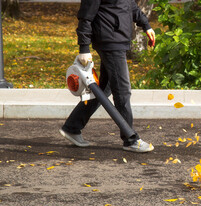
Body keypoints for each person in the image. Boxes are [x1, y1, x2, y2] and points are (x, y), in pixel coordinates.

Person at [59, 0, 155, 153]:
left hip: (118, 39)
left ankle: (72, 126)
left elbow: (130, 5)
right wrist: (84, 48)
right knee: (122, 91)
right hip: (110, 40)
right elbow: (86, 15)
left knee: (104, 88)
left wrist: (145, 24)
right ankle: (130, 139)